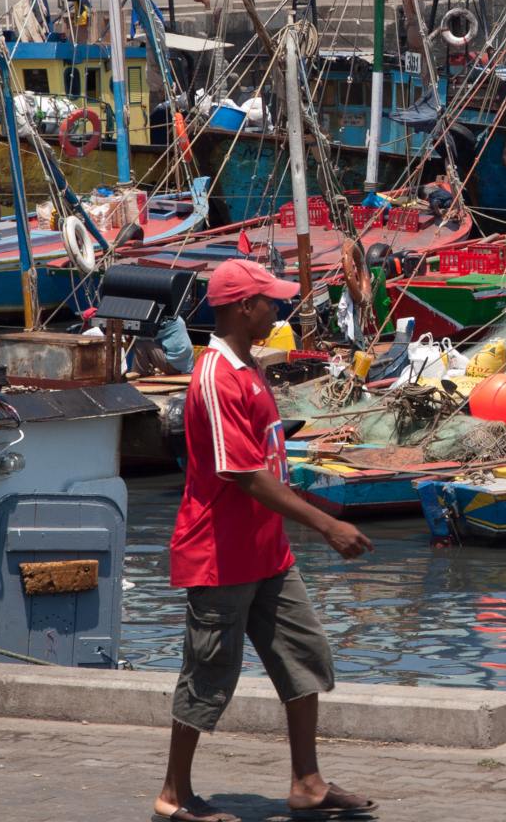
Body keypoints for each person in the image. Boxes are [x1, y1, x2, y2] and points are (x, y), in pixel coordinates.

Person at [156, 258, 375, 822]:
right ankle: (173, 796)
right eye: (268, 301)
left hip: (267, 551)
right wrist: (327, 525)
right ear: (240, 307)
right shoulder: (216, 375)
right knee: (208, 675)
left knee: (303, 656)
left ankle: (307, 781)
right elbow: (245, 476)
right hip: (220, 555)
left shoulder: (251, 367)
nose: (276, 309)